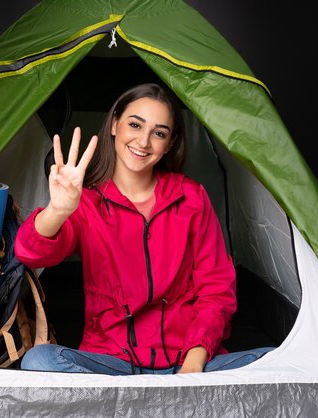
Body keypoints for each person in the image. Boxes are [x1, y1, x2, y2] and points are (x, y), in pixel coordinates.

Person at [15, 83, 272, 375]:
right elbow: (30, 253)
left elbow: (217, 290)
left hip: (187, 362)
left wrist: (193, 366)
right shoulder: (87, 202)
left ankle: (147, 403)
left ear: (171, 143)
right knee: (39, 361)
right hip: (114, 367)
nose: (144, 141)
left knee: (280, 362)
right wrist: (58, 210)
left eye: (159, 133)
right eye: (135, 125)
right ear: (114, 125)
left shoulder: (191, 198)